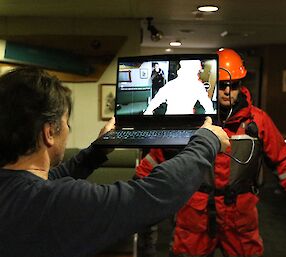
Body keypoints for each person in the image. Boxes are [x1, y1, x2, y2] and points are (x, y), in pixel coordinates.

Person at [0, 67, 230, 257]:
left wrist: (98, 150)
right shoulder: (56, 202)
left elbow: (48, 179)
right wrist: (207, 140)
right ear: (49, 132)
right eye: (66, 121)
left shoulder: (15, 189)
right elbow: (153, 195)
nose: (68, 129)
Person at [135, 48, 286, 257]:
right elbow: (157, 156)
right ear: (214, 84)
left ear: (241, 85)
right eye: (222, 85)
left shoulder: (258, 121)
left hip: (239, 215)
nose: (227, 91)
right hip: (196, 213)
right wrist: (139, 181)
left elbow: (282, 162)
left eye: (234, 85)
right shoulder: (192, 119)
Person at [144, 60, 215, 115]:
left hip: (182, 120)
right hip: (176, 120)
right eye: (197, 71)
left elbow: (207, 104)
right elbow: (156, 100)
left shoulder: (171, 84)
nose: (198, 73)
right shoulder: (197, 86)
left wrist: (148, 112)